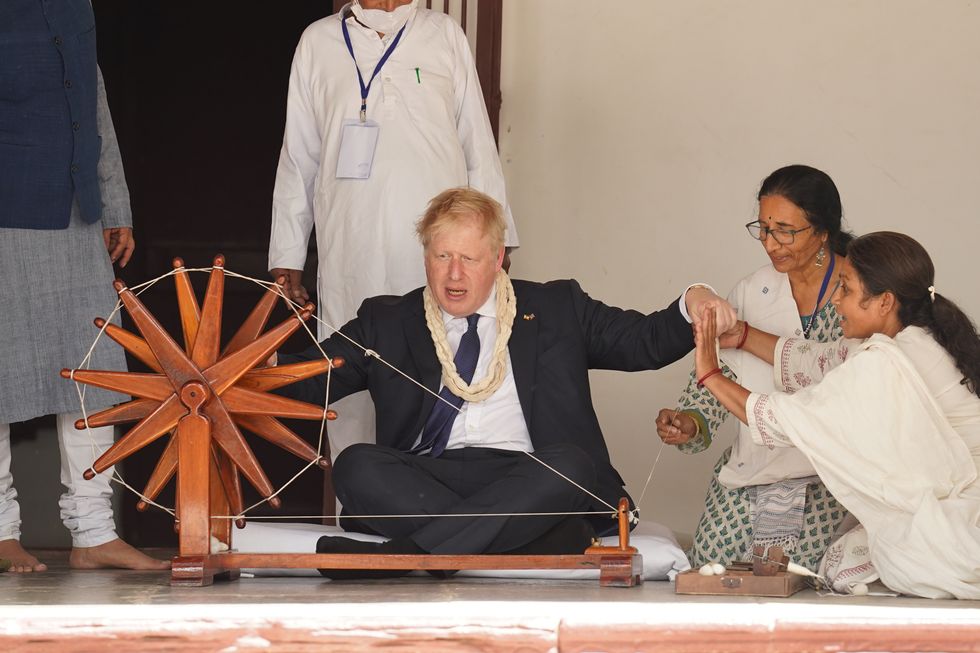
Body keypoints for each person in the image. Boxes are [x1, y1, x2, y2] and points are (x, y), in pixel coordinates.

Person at [277, 187, 735, 579]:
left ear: (498, 259)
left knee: (573, 468)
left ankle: (411, 555)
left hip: (528, 475)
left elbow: (643, 343)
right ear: (425, 256)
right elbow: (309, 376)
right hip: (431, 474)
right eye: (442, 256)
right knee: (356, 465)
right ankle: (537, 535)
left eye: (469, 258)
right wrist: (241, 368)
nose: (454, 274)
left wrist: (691, 299)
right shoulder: (388, 320)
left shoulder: (557, 307)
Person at [268, 0, 519, 460]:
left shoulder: (443, 33)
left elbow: (477, 142)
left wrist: (497, 238)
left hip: (439, 255)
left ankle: (430, 512)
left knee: (438, 367)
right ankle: (357, 511)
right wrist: (287, 254)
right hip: (350, 246)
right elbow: (298, 155)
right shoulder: (317, 41)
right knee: (348, 372)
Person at [694, 232, 980, 599]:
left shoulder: (887, 360)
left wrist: (709, 373)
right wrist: (744, 335)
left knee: (845, 568)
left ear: (884, 302)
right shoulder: (914, 337)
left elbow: (787, 421)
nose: (835, 300)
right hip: (957, 506)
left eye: (845, 288)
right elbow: (819, 360)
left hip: (958, 520)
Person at [0, 0, 169, 572]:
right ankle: (0, 530)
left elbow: (90, 103)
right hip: (7, 209)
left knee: (94, 370)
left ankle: (93, 532)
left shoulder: (76, 7)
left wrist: (114, 203)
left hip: (77, 214)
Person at [655, 165, 852, 571]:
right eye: (763, 228)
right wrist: (691, 420)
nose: (771, 243)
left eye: (785, 230)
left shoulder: (855, 294)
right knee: (707, 575)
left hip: (828, 477)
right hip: (751, 468)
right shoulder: (752, 291)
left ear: (822, 231)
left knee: (797, 585)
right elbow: (717, 370)